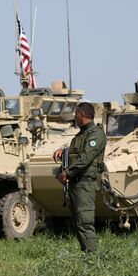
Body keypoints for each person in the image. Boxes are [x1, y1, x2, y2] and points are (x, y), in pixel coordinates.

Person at [53, 102, 106, 252]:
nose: (74, 118)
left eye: (75, 114)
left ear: (81, 115)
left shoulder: (96, 134)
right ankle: (86, 255)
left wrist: (67, 173)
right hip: (76, 185)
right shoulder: (80, 135)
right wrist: (63, 153)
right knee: (77, 223)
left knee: (85, 222)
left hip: (85, 184)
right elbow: (75, 155)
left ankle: (91, 259)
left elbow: (86, 157)